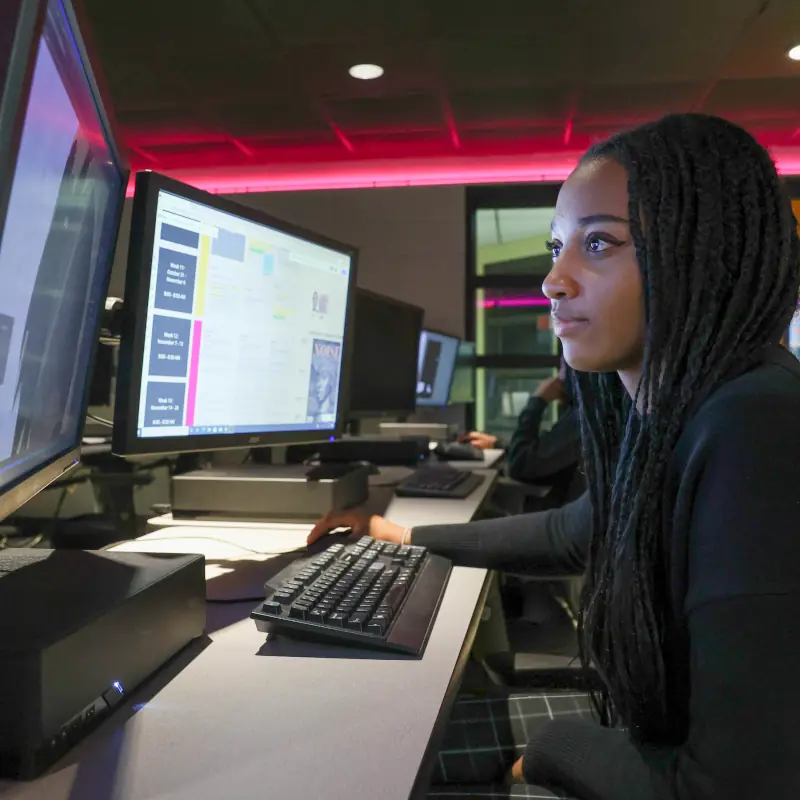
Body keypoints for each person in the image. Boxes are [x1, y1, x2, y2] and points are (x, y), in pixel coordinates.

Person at [309, 113, 800, 799]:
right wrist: (405, 538)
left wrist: (548, 750)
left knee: (350, 761)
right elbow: (576, 530)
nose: (553, 281)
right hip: (657, 740)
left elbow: (732, 788)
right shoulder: (685, 417)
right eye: (555, 247)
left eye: (598, 243)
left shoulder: (754, 422)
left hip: (684, 770)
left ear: (699, 254)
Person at [463, 359, 583, 508]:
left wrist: (538, 400)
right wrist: (497, 443)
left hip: (562, 518)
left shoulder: (582, 418)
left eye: (563, 370)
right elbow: (542, 452)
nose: (558, 378)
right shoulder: (579, 414)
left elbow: (520, 465)